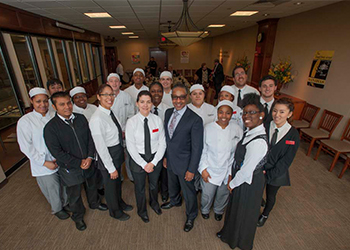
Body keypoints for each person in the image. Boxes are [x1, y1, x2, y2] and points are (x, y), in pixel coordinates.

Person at [44, 91, 107, 231]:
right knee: (75, 195)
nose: (67, 107)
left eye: (68, 103)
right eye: (62, 104)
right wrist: (78, 162)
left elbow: (91, 139)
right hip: (70, 168)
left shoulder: (81, 118)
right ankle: (78, 217)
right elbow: (57, 152)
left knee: (92, 186)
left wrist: (90, 157)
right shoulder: (50, 128)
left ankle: (95, 203)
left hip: (88, 162)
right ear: (54, 107)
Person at [217, 93, 268, 250]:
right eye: (245, 112)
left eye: (252, 112)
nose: (247, 116)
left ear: (261, 115)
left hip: (248, 183)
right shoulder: (250, 132)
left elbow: (247, 171)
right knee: (235, 209)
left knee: (244, 212)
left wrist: (232, 183)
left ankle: (238, 241)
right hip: (240, 178)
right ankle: (229, 234)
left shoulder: (258, 141)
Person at [17, 87, 69, 220]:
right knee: (52, 187)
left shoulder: (54, 114)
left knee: (63, 183)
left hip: (58, 158)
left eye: (45, 101)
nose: (43, 104)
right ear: (31, 101)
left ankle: (66, 203)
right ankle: (57, 209)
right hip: (42, 162)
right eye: (38, 101)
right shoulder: (25, 121)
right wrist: (44, 162)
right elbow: (26, 147)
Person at [161, 83, 204, 232]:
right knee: (172, 184)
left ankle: (191, 215)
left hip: (186, 164)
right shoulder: (167, 113)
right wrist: (166, 157)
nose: (178, 101)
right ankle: (175, 201)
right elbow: (168, 139)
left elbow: (197, 148)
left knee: (189, 192)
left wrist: (192, 169)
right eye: (175, 97)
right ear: (171, 98)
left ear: (187, 98)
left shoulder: (195, 119)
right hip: (171, 160)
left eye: (181, 97)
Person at [89, 84, 133, 221]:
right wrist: (110, 167)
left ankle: (119, 202)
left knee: (117, 183)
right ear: (98, 97)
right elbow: (101, 147)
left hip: (116, 152)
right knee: (110, 186)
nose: (110, 98)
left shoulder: (109, 112)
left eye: (111, 94)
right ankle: (115, 211)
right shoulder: (97, 118)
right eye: (106, 95)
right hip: (107, 155)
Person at [257, 97, 300, 227]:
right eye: (275, 111)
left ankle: (265, 214)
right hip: (261, 166)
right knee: (257, 190)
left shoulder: (293, 135)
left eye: (282, 112)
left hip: (277, 171)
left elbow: (286, 161)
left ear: (290, 114)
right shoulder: (265, 124)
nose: (277, 115)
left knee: (271, 195)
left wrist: (269, 176)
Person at [126, 91, 166, 223]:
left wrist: (153, 162)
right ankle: (142, 210)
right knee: (140, 188)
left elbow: (162, 143)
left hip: (155, 158)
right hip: (138, 159)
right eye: (142, 102)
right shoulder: (131, 122)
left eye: (148, 102)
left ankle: (154, 204)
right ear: (137, 103)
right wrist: (144, 164)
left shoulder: (157, 120)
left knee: (154, 185)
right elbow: (130, 147)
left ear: (152, 103)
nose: (145, 105)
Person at [198, 100, 243, 221]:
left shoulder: (237, 129)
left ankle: (219, 210)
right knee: (207, 194)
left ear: (231, 114)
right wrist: (203, 169)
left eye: (227, 113)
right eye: (221, 112)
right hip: (210, 167)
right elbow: (202, 150)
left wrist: (230, 173)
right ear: (217, 113)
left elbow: (236, 154)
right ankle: (205, 209)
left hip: (227, 168)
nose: (224, 116)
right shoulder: (208, 128)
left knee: (223, 193)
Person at [107, 73, 135, 181]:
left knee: (129, 155)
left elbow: (131, 115)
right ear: (107, 83)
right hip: (111, 134)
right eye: (111, 81)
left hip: (126, 131)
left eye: (116, 81)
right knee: (115, 156)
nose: (114, 83)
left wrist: (125, 130)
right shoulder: (106, 98)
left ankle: (131, 176)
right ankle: (119, 176)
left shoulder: (126, 96)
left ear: (120, 83)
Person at [149, 82, 171, 202]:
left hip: (165, 146)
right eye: (153, 91)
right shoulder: (145, 109)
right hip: (150, 146)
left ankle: (164, 191)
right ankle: (154, 188)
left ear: (162, 93)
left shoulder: (169, 110)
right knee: (152, 169)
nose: (156, 94)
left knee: (164, 171)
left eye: (159, 91)